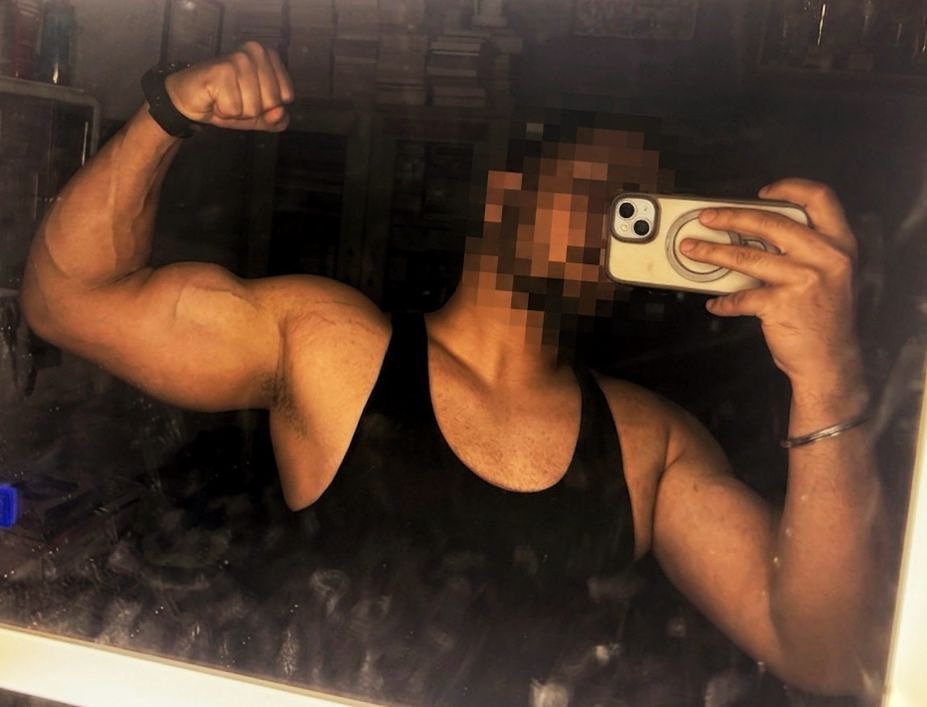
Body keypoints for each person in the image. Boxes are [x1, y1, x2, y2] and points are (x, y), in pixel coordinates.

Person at [20, 42, 883, 699]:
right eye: (599, 191)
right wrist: (168, 111)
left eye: (639, 213)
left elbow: (820, 651)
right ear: (505, 195)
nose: (610, 226)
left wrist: (827, 375)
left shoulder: (648, 444)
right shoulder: (333, 348)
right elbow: (69, 302)